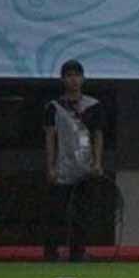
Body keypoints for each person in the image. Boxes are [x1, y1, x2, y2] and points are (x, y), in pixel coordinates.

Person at [43, 59, 104, 262]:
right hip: (62, 166)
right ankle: (51, 252)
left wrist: (97, 162)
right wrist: (50, 166)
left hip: (85, 167)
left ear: (83, 78)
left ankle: (78, 252)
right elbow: (50, 137)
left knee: (81, 213)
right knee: (56, 213)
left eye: (77, 75)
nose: (74, 79)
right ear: (63, 79)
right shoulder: (53, 107)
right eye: (69, 75)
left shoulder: (93, 106)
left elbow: (98, 135)